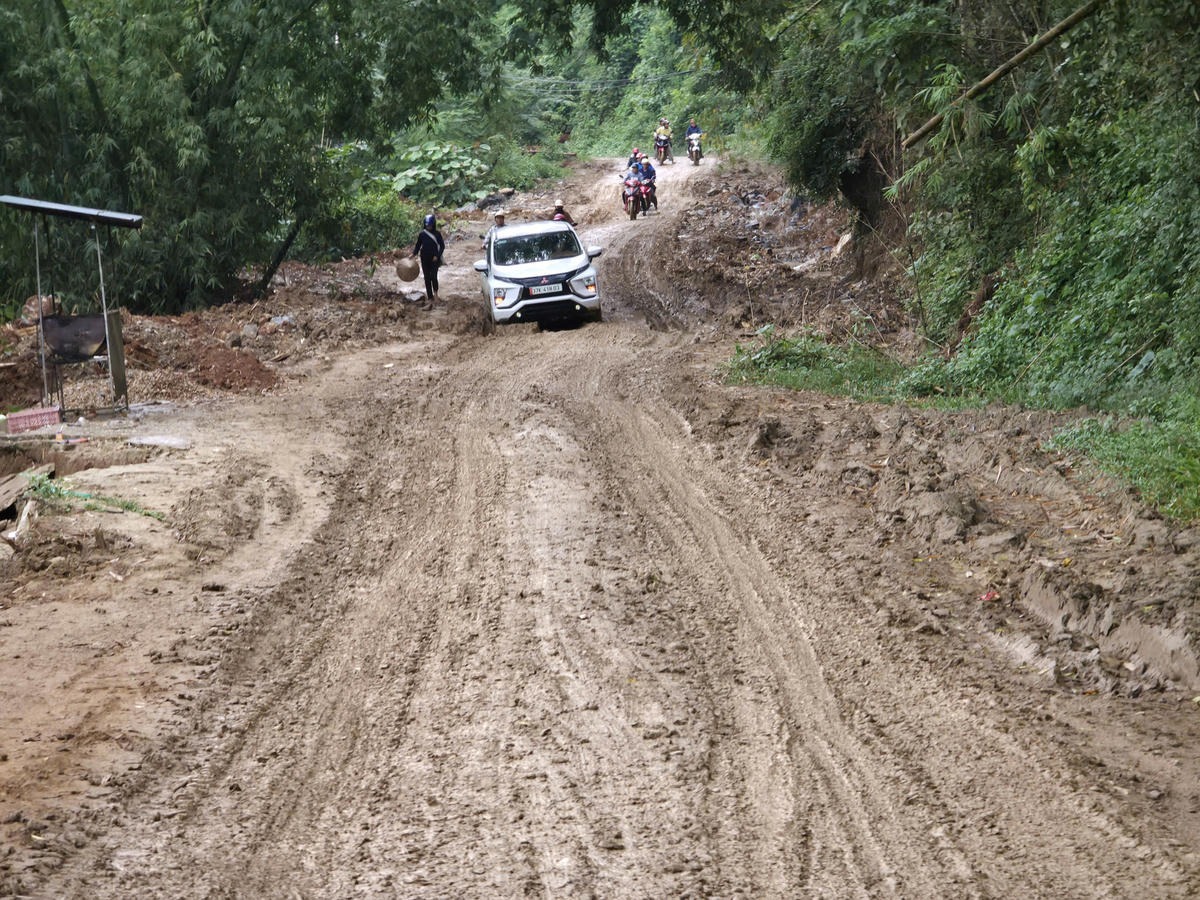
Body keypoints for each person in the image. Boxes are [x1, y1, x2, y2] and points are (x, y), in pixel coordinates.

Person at [413, 213, 445, 307]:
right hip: (424, 258)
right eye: (427, 226)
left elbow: (442, 246)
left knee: (434, 276)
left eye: (430, 226)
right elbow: (418, 245)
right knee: (427, 277)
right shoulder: (422, 234)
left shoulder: (437, 234)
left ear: (433, 225)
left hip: (434, 259)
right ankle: (430, 297)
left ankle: (436, 294)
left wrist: (437, 256)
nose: (428, 227)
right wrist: (413, 254)